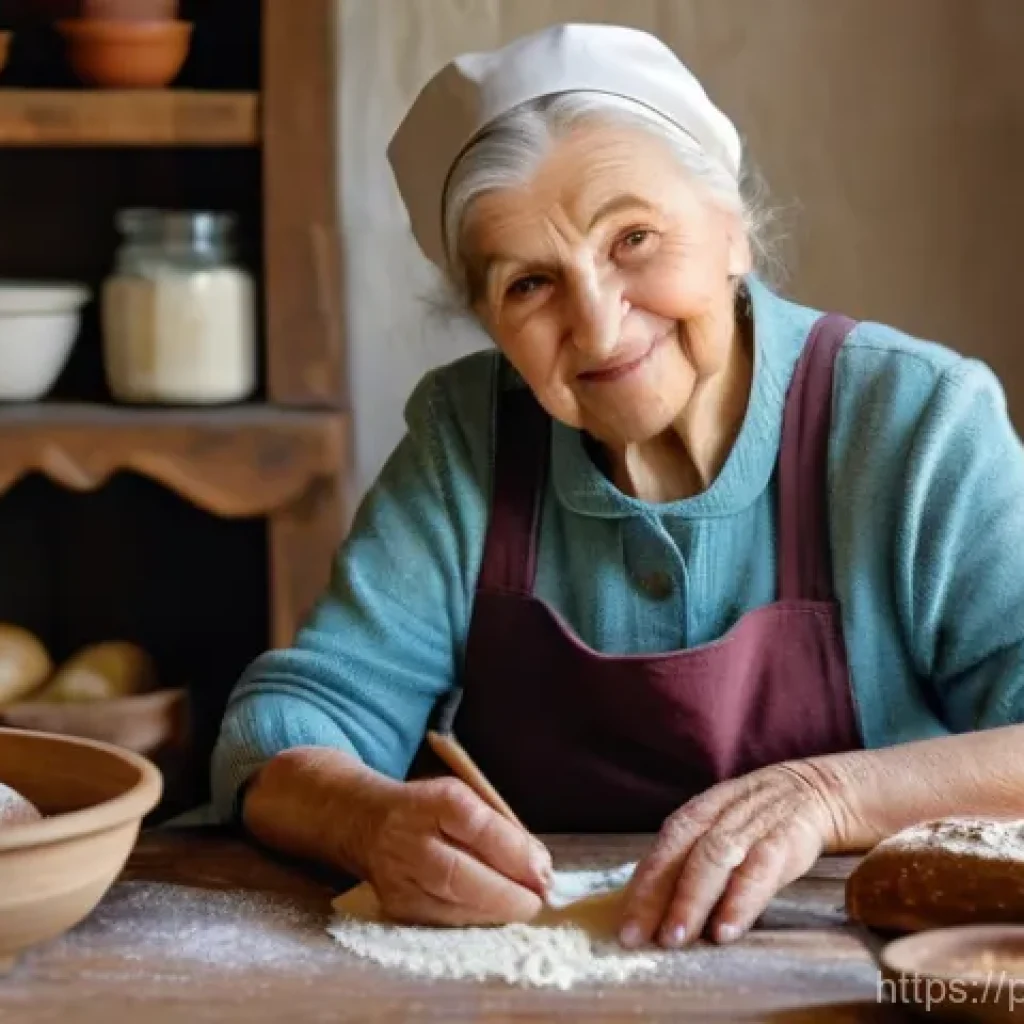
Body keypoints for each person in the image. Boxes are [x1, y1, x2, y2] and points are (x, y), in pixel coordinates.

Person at [210, 23, 1024, 950]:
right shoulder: (467, 441)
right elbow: (282, 726)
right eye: (529, 285)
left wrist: (827, 793)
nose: (598, 330)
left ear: (732, 229)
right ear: (486, 322)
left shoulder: (916, 422)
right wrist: (364, 818)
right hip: (532, 976)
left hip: (854, 974)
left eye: (633, 238)